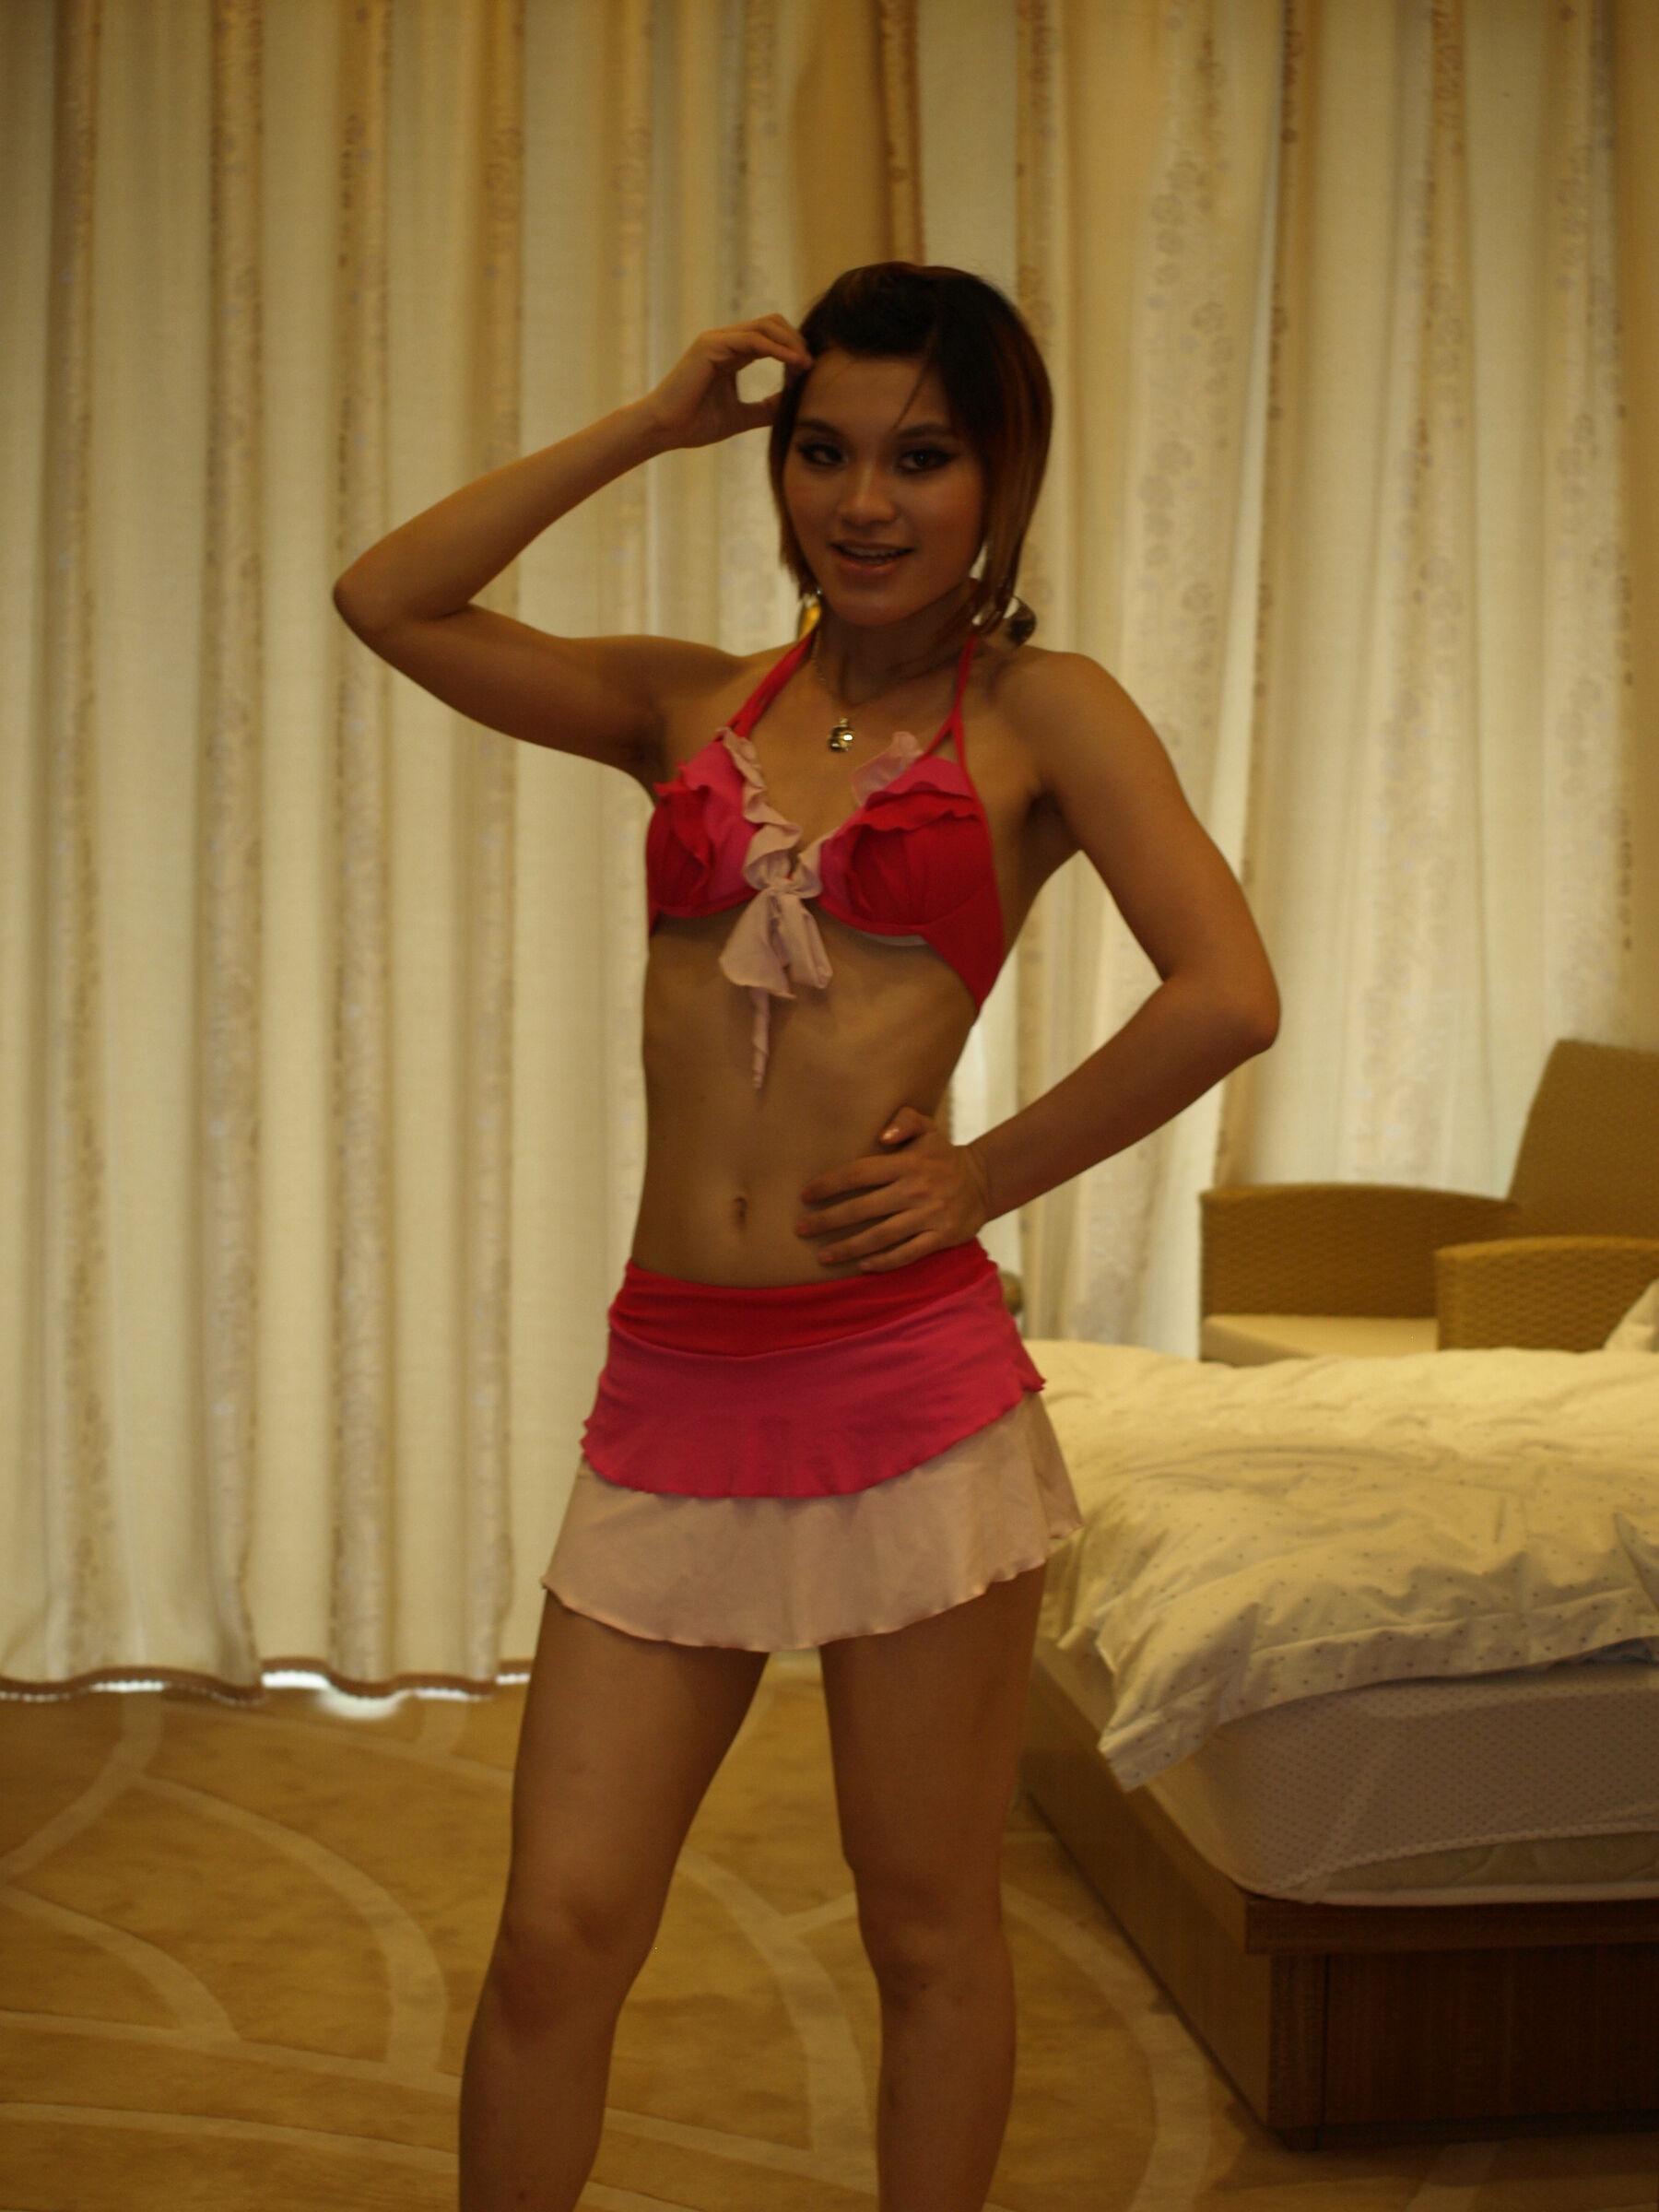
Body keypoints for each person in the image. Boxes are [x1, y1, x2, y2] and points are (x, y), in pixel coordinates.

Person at [333, 261, 1279, 2212]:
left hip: (906, 1386)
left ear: (999, 475)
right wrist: (646, 426)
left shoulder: (1047, 715)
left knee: (925, 1928)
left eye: (920, 459)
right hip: (674, 1380)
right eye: (823, 454)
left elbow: (1227, 993)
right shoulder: (689, 704)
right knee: (555, 1936)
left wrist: (981, 1176)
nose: (863, 501)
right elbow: (390, 601)